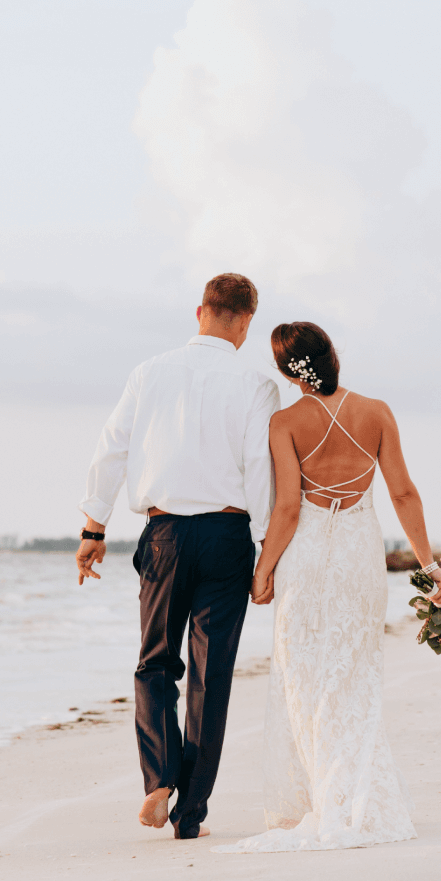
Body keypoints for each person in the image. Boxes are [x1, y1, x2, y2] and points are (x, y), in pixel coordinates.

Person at [216, 321, 441, 854]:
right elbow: (404, 493)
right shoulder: (377, 412)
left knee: (303, 677)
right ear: (332, 355)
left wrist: (263, 570)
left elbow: (288, 507)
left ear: (284, 371)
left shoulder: (284, 422)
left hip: (305, 558)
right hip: (357, 556)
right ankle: (355, 795)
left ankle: (319, 799)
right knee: (354, 673)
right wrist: (429, 565)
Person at [77, 273, 278, 839]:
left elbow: (111, 448)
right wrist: (266, 552)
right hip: (226, 537)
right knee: (211, 679)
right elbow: (260, 472)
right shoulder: (257, 383)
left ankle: (157, 780)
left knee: (156, 664)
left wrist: (94, 528)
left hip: (163, 533)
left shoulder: (150, 372)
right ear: (244, 322)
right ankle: (190, 814)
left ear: (200, 312)